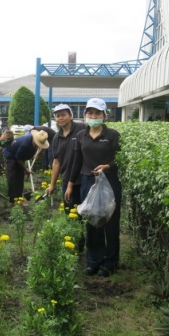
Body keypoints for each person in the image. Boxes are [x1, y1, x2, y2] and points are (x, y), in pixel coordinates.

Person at [64, 98, 122, 278]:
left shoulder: (112, 135)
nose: (93, 116)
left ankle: (110, 262)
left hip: (109, 183)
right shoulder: (81, 136)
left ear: (104, 116)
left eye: (97, 113)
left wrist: (108, 166)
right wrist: (70, 184)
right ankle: (93, 260)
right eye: (90, 113)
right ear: (85, 116)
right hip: (88, 183)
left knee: (110, 223)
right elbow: (77, 161)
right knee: (92, 222)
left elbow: (120, 160)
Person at [45, 104, 86, 250]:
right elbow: (56, 162)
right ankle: (76, 244)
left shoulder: (82, 129)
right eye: (57, 115)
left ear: (71, 115)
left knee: (85, 213)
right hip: (66, 181)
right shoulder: (56, 137)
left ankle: (89, 244)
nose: (60, 118)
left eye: (63, 114)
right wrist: (51, 184)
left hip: (84, 179)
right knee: (70, 214)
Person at [3, 128, 50, 203]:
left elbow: (21, 157)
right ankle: (13, 200)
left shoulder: (32, 140)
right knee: (13, 177)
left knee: (20, 176)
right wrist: (26, 170)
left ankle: (19, 197)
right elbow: (18, 158)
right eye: (38, 144)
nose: (39, 146)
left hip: (18, 156)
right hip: (10, 155)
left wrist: (24, 169)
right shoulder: (25, 144)